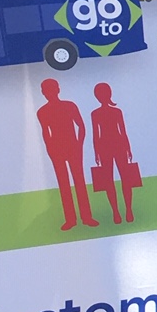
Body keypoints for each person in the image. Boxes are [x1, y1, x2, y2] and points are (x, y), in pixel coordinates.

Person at [37, 78, 98, 231]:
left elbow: (81, 126)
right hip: (56, 150)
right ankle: (70, 219)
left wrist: (79, 145)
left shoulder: (69, 106)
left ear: (58, 89)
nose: (49, 93)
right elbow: (46, 133)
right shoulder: (42, 112)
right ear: (43, 93)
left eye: (51, 89)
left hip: (73, 147)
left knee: (79, 182)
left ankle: (86, 217)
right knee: (63, 184)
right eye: (46, 90)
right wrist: (50, 150)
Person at [90, 83, 137, 224]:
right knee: (109, 181)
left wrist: (128, 148)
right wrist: (96, 152)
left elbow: (123, 131)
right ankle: (116, 212)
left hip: (116, 145)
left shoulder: (116, 112)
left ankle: (127, 210)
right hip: (107, 147)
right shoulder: (96, 114)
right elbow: (96, 135)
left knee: (123, 180)